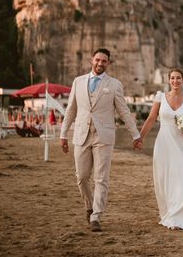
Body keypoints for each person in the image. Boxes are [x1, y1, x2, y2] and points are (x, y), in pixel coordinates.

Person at [60, 48, 143, 232]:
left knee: (101, 178)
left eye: (104, 61)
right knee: (81, 177)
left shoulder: (114, 84)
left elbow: (123, 111)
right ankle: (89, 205)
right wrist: (63, 134)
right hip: (81, 134)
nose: (100, 63)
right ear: (92, 60)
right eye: (97, 60)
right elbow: (71, 110)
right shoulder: (78, 81)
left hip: (104, 136)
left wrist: (135, 135)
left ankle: (96, 216)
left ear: (108, 63)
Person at [140, 68, 183, 229]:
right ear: (168, 80)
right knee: (165, 178)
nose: (175, 81)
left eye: (178, 78)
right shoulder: (160, 98)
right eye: (172, 78)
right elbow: (151, 119)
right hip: (164, 143)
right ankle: (171, 212)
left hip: (181, 144)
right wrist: (140, 137)